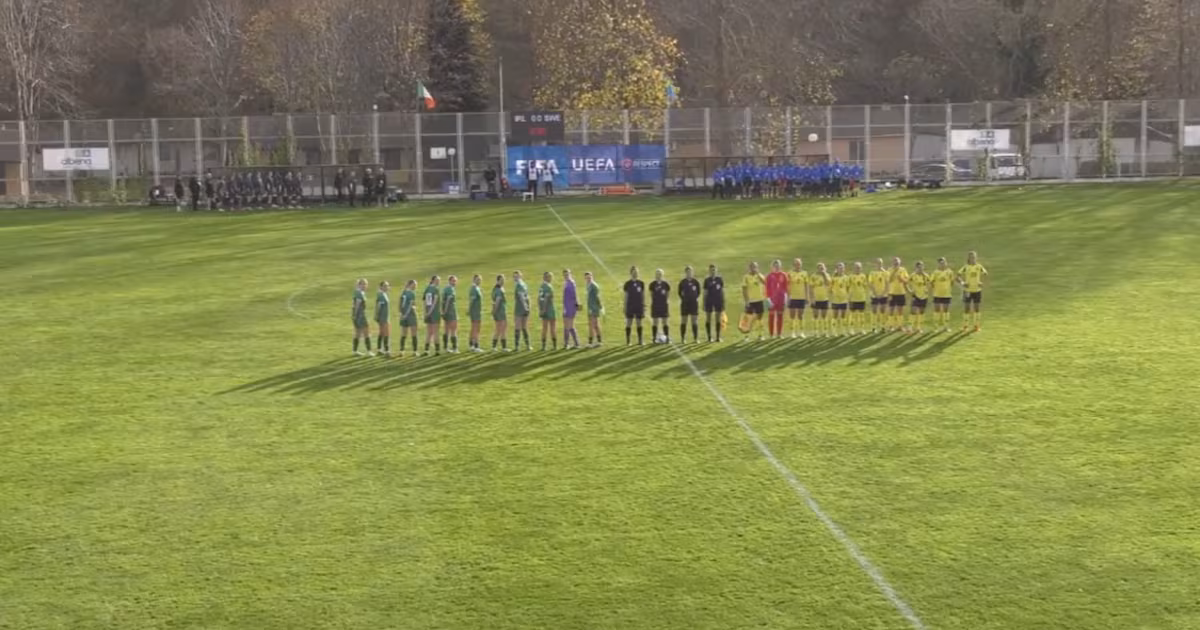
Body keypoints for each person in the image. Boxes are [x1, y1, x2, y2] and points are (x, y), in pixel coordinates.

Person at [958, 250, 988, 332]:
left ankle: (976, 326)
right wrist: (962, 283)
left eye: (974, 257)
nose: (972, 259)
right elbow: (958, 276)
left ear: (976, 258)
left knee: (977, 308)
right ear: (968, 258)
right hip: (967, 291)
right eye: (971, 257)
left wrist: (982, 283)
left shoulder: (979, 266)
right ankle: (965, 326)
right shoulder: (965, 267)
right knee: (967, 308)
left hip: (977, 290)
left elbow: (985, 273)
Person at [741, 261, 767, 342]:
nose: (753, 268)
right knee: (748, 318)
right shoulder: (746, 277)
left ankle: (760, 335)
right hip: (751, 301)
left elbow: (765, 283)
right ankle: (746, 336)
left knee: (760, 318)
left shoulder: (759, 276)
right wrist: (746, 301)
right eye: (752, 267)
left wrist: (759, 275)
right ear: (749, 268)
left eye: (755, 267)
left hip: (759, 299)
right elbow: (744, 289)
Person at [930, 257, 956, 332]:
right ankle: (936, 327)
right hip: (937, 294)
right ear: (938, 264)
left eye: (944, 263)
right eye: (941, 263)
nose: (943, 264)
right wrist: (935, 289)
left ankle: (946, 326)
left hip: (947, 294)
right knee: (937, 310)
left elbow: (952, 282)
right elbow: (931, 282)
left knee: (946, 310)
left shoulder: (949, 272)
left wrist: (947, 288)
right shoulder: (935, 272)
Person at [623, 266, 646, 346]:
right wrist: (625, 306)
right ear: (631, 273)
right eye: (634, 273)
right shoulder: (627, 284)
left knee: (639, 323)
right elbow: (626, 296)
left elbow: (643, 295)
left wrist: (644, 305)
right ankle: (628, 341)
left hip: (639, 306)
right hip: (630, 306)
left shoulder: (641, 283)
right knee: (629, 323)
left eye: (636, 273)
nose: (635, 274)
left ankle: (640, 340)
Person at [677, 265, 701, 343]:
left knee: (694, 321)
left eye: (690, 272)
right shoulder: (682, 282)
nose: (689, 273)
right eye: (687, 272)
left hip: (693, 304)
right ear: (685, 273)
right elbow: (679, 293)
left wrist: (693, 298)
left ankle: (695, 338)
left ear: (692, 272)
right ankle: (683, 338)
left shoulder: (695, 282)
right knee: (684, 321)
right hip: (685, 304)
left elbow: (698, 292)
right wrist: (684, 299)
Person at [886, 257, 911, 332]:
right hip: (891, 292)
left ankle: (900, 326)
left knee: (900, 310)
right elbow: (888, 281)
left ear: (900, 263)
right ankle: (891, 326)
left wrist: (902, 279)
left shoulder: (903, 270)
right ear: (892, 263)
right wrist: (893, 273)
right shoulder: (889, 270)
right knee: (891, 309)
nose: (896, 263)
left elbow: (907, 281)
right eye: (894, 262)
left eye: (897, 262)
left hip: (901, 292)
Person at [703, 264, 726, 342]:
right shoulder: (707, 280)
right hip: (709, 301)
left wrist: (723, 301)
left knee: (718, 318)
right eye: (711, 270)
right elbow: (705, 292)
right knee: (708, 318)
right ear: (709, 271)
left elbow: (722, 291)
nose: (713, 271)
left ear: (716, 270)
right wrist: (704, 303)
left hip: (718, 300)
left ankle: (718, 337)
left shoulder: (719, 279)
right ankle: (709, 337)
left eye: (714, 270)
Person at [787, 258, 809, 338]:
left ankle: (801, 332)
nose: (797, 265)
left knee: (801, 315)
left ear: (801, 264)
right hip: (792, 297)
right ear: (793, 265)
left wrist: (807, 297)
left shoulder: (805, 273)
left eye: (799, 264)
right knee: (792, 315)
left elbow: (806, 285)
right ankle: (792, 332)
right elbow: (787, 286)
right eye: (796, 264)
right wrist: (788, 297)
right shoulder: (789, 273)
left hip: (801, 297)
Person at [766, 259, 788, 338]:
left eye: (778, 265)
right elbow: (767, 288)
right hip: (772, 299)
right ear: (772, 266)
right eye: (775, 265)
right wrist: (768, 299)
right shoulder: (769, 276)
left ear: (780, 266)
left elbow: (786, 287)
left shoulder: (784, 275)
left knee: (780, 316)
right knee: (771, 316)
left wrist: (785, 298)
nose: (777, 267)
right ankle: (771, 334)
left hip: (780, 298)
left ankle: (779, 334)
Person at [907, 261, 931, 334]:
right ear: (916, 268)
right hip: (915, 295)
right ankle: (910, 327)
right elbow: (906, 283)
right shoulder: (912, 276)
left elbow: (930, 284)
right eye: (918, 267)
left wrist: (927, 290)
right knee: (913, 311)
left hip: (924, 296)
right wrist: (910, 291)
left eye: (921, 267)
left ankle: (918, 327)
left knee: (921, 312)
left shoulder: (926, 276)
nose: (920, 269)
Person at [397, 280, 419, 356]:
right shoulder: (412, 293)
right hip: (410, 315)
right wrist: (406, 314)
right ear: (410, 284)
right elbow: (410, 305)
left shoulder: (404, 292)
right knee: (414, 333)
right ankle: (415, 351)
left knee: (404, 334)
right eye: (414, 285)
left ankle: (401, 351)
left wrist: (401, 313)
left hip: (403, 315)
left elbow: (400, 303)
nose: (415, 286)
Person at [649, 269, 671, 343]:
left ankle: (667, 337)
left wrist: (665, 302)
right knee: (655, 322)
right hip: (655, 305)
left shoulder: (666, 284)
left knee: (665, 322)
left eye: (660, 274)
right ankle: (654, 338)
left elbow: (667, 294)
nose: (658, 275)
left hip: (664, 306)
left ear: (662, 275)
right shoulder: (652, 284)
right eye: (657, 274)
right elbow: (651, 295)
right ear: (655, 275)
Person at [351, 278, 372, 355]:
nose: (365, 286)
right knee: (366, 332)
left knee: (358, 333)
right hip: (360, 315)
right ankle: (369, 351)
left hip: (357, 315)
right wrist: (355, 315)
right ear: (359, 285)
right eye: (363, 284)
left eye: (366, 284)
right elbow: (357, 304)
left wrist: (354, 315)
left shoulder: (357, 292)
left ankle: (355, 351)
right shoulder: (360, 293)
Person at [809, 263, 831, 337]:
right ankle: (816, 331)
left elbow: (828, 283)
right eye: (819, 268)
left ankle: (824, 332)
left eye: (822, 268)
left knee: (824, 316)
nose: (821, 269)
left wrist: (824, 274)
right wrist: (812, 299)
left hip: (824, 298)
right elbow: (811, 288)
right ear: (817, 268)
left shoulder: (827, 275)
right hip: (816, 298)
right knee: (815, 315)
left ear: (825, 268)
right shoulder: (813, 276)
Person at [422, 275, 442, 355]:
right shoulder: (435, 289)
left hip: (427, 312)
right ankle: (437, 350)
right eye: (437, 280)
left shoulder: (427, 289)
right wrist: (430, 312)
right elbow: (435, 302)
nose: (438, 282)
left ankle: (426, 350)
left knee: (429, 332)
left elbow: (425, 301)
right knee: (435, 331)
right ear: (433, 280)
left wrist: (425, 312)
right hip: (434, 313)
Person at [512, 270, 532, 351]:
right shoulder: (524, 284)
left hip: (520, 308)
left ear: (520, 276)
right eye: (514, 276)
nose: (515, 278)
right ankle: (528, 345)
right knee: (524, 327)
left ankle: (517, 346)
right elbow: (527, 296)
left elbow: (521, 297)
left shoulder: (519, 285)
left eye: (516, 276)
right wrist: (528, 306)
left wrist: (525, 307)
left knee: (518, 327)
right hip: (525, 307)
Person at [538, 272, 558, 350]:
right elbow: (546, 299)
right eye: (550, 277)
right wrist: (544, 309)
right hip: (549, 309)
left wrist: (541, 309)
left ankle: (543, 346)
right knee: (552, 327)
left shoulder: (541, 286)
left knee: (544, 328)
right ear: (546, 278)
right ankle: (554, 346)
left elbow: (539, 299)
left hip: (543, 308)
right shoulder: (549, 287)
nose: (551, 278)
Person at [848, 262, 870, 335]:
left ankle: (861, 329)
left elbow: (865, 286)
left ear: (861, 268)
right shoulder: (850, 277)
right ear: (854, 268)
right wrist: (849, 296)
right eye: (856, 267)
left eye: (859, 267)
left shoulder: (863, 276)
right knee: (852, 315)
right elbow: (848, 287)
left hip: (861, 298)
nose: (858, 269)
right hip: (853, 298)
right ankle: (852, 329)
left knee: (861, 314)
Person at [868, 258, 889, 333]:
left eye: (880, 263)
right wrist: (875, 293)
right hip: (874, 295)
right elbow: (870, 284)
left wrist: (883, 293)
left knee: (883, 310)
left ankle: (883, 326)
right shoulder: (872, 273)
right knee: (874, 310)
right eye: (877, 263)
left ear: (882, 264)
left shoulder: (885, 273)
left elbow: (887, 284)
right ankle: (873, 327)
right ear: (875, 264)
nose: (879, 264)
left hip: (883, 294)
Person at [561, 269, 580, 349]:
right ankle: (576, 343)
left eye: (567, 274)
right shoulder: (566, 283)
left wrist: (576, 305)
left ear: (570, 274)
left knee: (568, 325)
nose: (566, 276)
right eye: (565, 275)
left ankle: (567, 344)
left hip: (570, 307)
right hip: (566, 306)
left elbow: (575, 296)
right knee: (569, 325)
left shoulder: (571, 283)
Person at [585, 272, 604, 347]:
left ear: (592, 277)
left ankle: (590, 342)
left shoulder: (594, 286)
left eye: (589, 277)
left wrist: (600, 307)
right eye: (586, 278)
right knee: (595, 325)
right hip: (590, 307)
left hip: (593, 308)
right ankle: (599, 341)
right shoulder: (588, 285)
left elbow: (597, 297)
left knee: (592, 325)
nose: (588, 279)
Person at [441, 275, 459, 353]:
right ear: (450, 281)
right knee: (453, 329)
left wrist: (443, 311)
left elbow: (443, 301)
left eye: (455, 281)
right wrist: (445, 310)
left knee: (446, 330)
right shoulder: (450, 289)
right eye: (453, 281)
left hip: (446, 311)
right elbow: (448, 300)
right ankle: (455, 348)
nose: (455, 282)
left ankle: (445, 348)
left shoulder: (445, 289)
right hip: (451, 311)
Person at [491, 274, 509, 352]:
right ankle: (504, 347)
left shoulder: (495, 289)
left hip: (498, 311)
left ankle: (494, 347)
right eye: (501, 280)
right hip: (501, 311)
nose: (503, 282)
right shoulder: (499, 290)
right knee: (503, 329)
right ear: (498, 280)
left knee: (497, 329)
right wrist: (495, 311)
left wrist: (494, 311)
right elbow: (497, 301)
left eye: (504, 280)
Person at [468, 274, 485, 352]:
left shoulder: (476, 288)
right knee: (476, 328)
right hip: (475, 311)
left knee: (474, 328)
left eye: (480, 279)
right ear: (474, 280)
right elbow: (471, 300)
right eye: (478, 279)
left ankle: (471, 344)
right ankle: (476, 346)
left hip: (476, 311)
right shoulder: (474, 288)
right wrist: (469, 310)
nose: (479, 281)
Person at [375, 280, 392, 357]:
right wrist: (377, 316)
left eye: (387, 286)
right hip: (383, 318)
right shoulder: (381, 295)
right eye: (385, 286)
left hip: (383, 317)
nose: (387, 287)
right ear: (381, 287)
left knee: (381, 333)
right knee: (386, 333)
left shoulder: (383, 294)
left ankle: (379, 350)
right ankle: (387, 351)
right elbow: (378, 306)